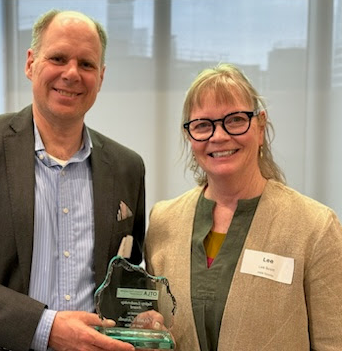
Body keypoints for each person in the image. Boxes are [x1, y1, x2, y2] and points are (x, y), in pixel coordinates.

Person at [0, 9, 146, 351]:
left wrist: (142, 317)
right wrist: (45, 328)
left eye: (86, 64)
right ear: (31, 63)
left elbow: (125, 278)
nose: (71, 73)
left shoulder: (128, 167)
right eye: (59, 58)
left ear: (101, 76)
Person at [144, 63, 342, 350]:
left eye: (235, 120)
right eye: (202, 125)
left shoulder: (315, 227)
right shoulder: (164, 221)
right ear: (190, 137)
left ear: (260, 127)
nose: (219, 136)